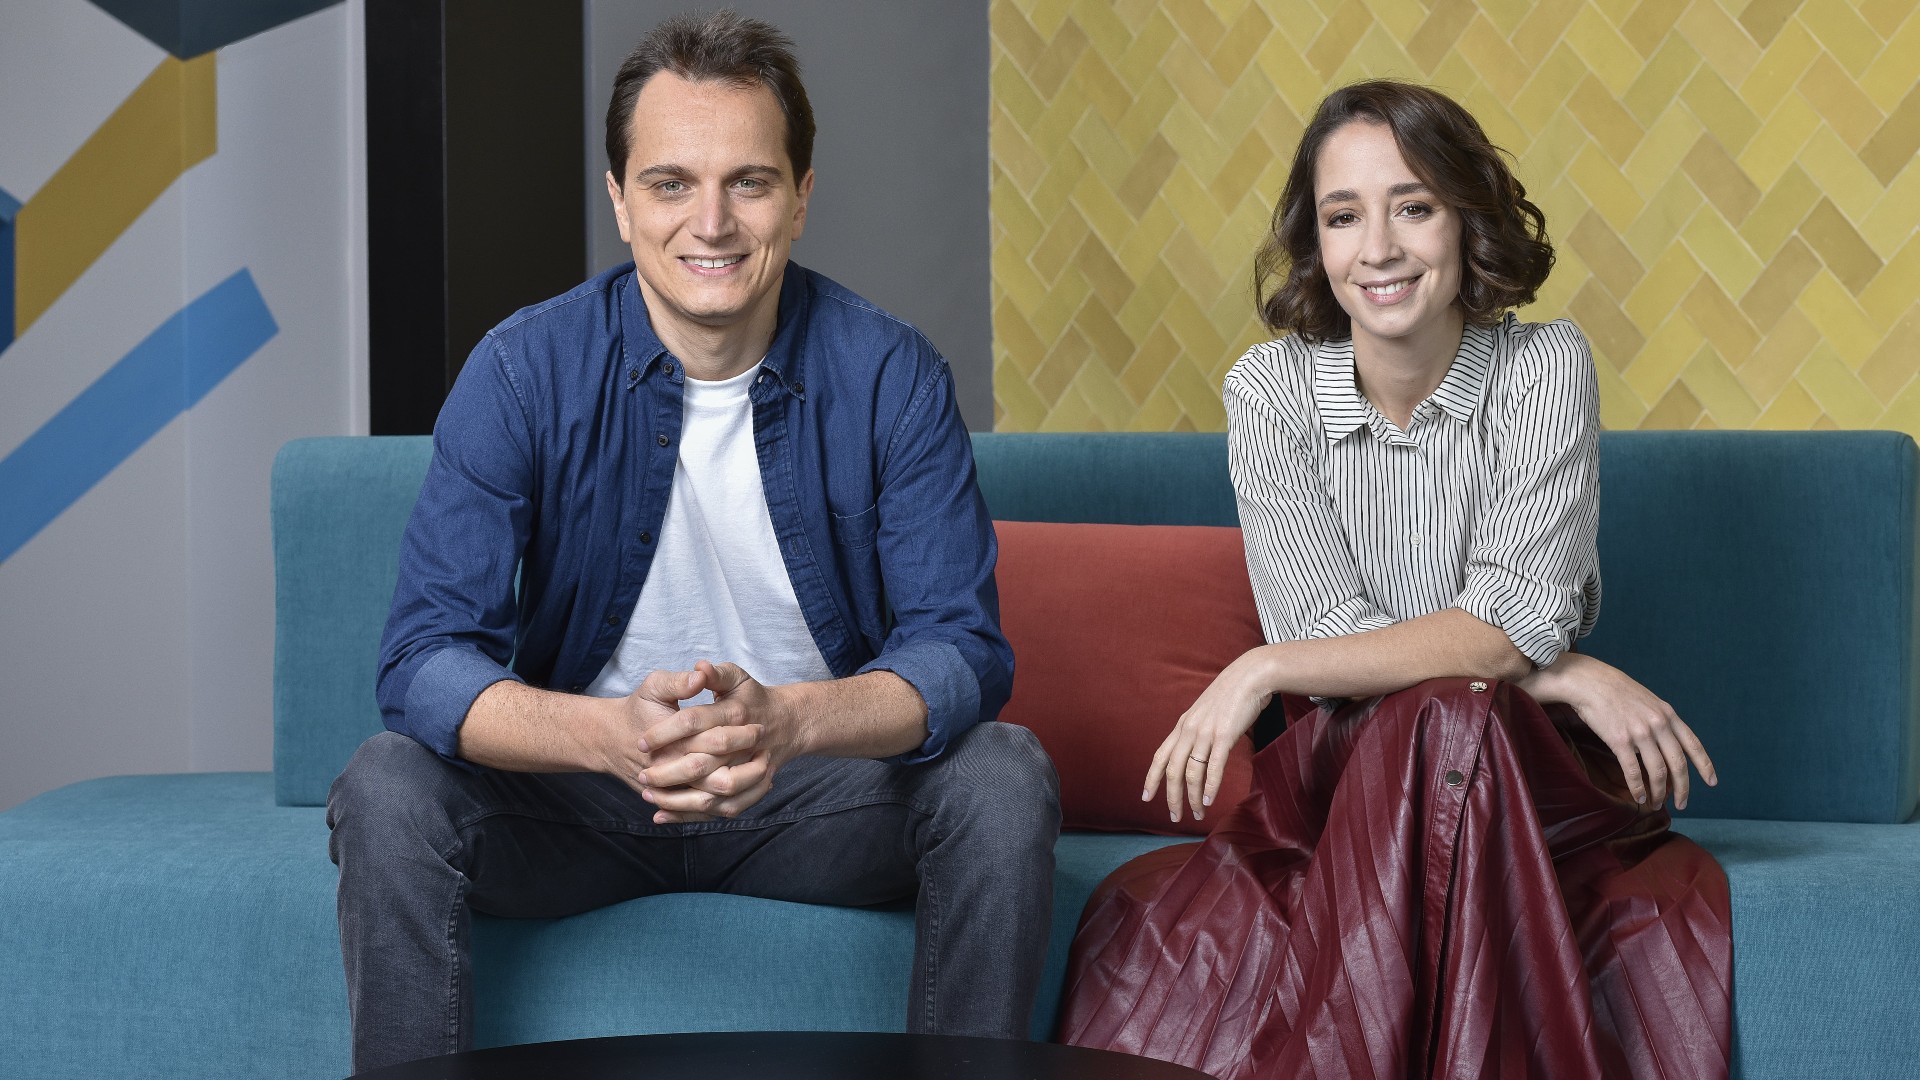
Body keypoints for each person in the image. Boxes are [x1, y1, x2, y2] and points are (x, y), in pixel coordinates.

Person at [327, 11, 1058, 1073]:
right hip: (583, 797)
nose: (710, 223)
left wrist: (792, 724)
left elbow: (962, 652)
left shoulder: (892, 375)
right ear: (620, 200)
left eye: (748, 182)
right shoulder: (522, 371)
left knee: (1003, 774)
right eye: (670, 183)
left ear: (801, 197)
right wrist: (605, 735)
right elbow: (423, 661)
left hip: (812, 795)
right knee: (388, 783)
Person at [1058, 81, 1731, 1080]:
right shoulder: (1269, 391)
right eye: (1343, 216)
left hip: (1530, 768)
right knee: (1444, 715)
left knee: (1455, 719)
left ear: (1466, 220)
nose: (1378, 248)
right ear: (1316, 242)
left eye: (1412, 206)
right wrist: (1554, 667)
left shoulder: (1546, 366)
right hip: (1341, 769)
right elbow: (1329, 630)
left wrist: (1265, 669)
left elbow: (1500, 618)